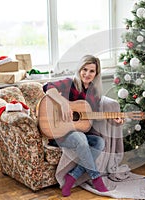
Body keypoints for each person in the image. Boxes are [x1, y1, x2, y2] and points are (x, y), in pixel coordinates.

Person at [43, 55, 123, 197]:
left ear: (96, 74)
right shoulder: (70, 83)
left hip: (77, 131)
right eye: (84, 69)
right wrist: (62, 103)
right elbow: (48, 87)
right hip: (59, 132)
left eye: (91, 71)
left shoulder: (94, 93)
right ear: (79, 69)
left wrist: (112, 119)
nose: (87, 74)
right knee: (81, 139)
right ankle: (96, 178)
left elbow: (95, 116)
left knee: (99, 142)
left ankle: (72, 176)